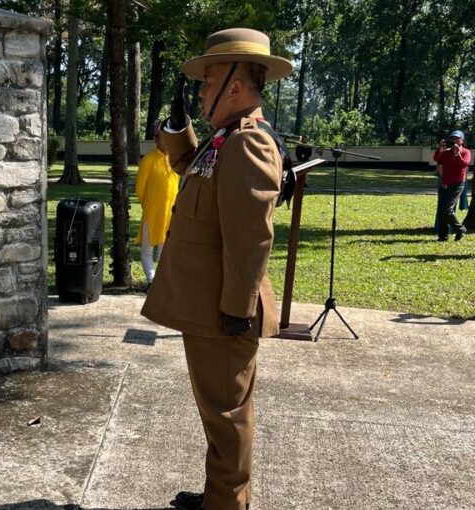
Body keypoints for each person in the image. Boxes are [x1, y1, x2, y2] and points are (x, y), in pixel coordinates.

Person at [141, 28, 292, 510]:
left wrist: (236, 309)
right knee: (217, 412)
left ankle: (227, 505)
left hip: (224, 310)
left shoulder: (249, 143)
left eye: (207, 83)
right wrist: (178, 124)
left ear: (233, 85)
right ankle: (219, 496)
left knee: (228, 414)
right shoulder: (223, 138)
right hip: (209, 308)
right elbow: (191, 168)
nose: (202, 91)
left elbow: (252, 238)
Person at [135, 121, 179, 290]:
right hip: (152, 213)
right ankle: (151, 280)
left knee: (164, 250)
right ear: (156, 139)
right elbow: (140, 189)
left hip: (170, 213)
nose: (166, 141)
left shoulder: (174, 160)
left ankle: (161, 282)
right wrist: (149, 205)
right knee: (147, 249)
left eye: (169, 137)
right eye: (163, 137)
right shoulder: (148, 159)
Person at [433, 130, 471, 241]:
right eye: (453, 138)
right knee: (441, 211)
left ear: (462, 141)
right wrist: (439, 148)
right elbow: (437, 159)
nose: (454, 141)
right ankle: (443, 236)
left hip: (457, 184)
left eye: (457, 138)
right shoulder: (446, 152)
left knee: (447, 210)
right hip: (444, 184)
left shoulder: (466, 152)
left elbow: (464, 164)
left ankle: (461, 229)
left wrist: (457, 154)